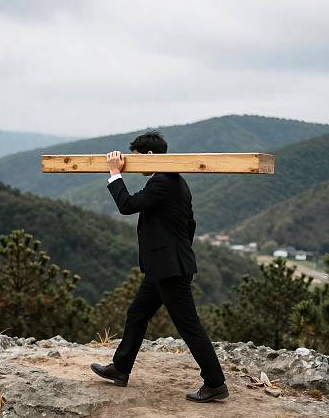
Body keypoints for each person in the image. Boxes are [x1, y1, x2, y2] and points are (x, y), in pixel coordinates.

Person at [90, 131, 228, 403]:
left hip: (169, 269)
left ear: (149, 156)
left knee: (189, 326)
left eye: (136, 158)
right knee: (137, 314)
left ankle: (215, 383)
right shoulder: (176, 180)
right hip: (164, 266)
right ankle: (120, 368)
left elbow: (127, 205)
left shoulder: (162, 182)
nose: (134, 162)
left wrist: (115, 173)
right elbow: (190, 225)